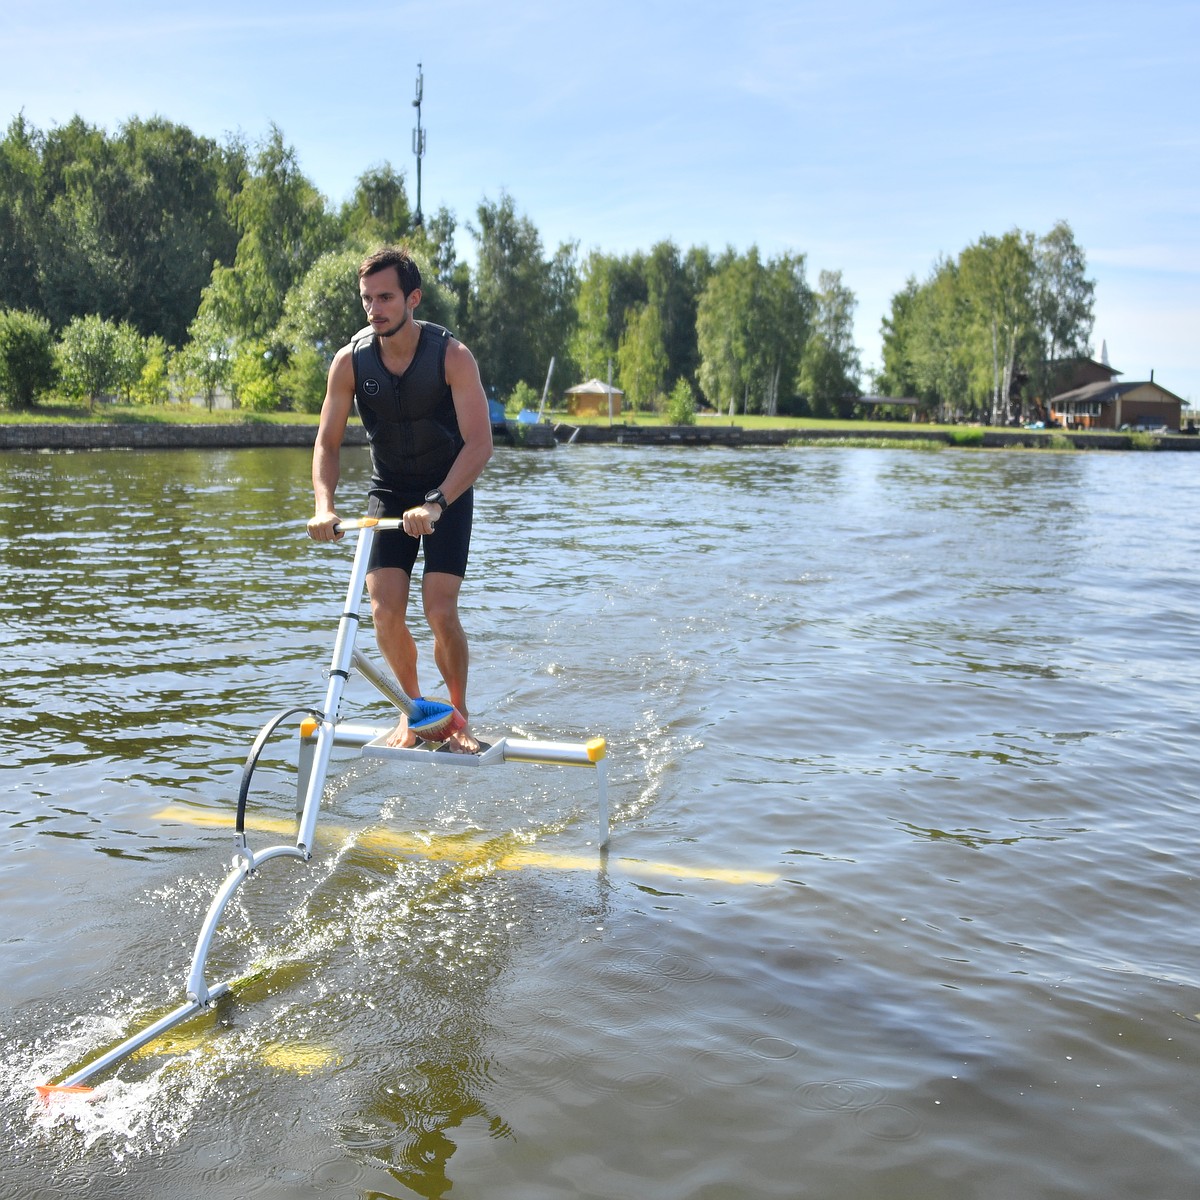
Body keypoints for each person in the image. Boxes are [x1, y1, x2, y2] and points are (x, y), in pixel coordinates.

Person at [307, 247, 493, 752]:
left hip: (446, 490)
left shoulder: (452, 356)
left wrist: (436, 503)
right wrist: (325, 505)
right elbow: (326, 442)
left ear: (412, 298)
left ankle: (458, 716)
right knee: (383, 611)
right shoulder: (349, 362)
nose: (375, 309)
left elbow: (480, 444)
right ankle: (416, 713)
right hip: (388, 491)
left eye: (385, 297)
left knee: (438, 610)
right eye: (367, 299)